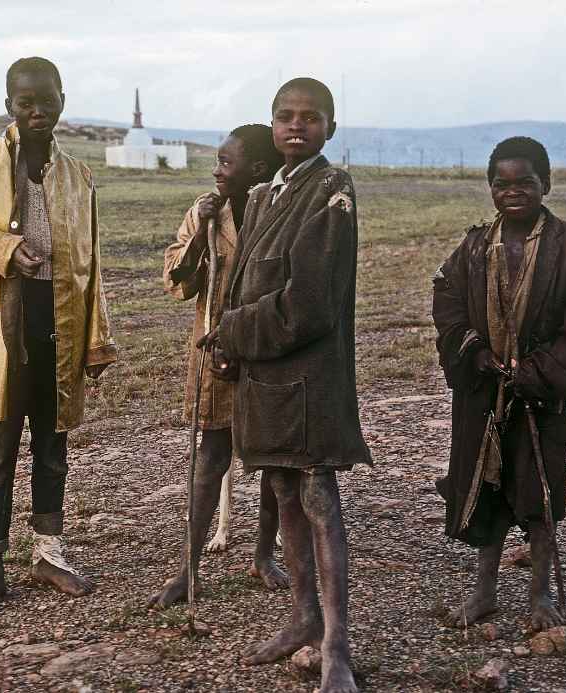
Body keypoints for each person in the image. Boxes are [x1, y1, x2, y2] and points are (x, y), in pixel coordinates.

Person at [0, 56, 117, 617]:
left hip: (58, 323)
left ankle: (50, 553)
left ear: (62, 99)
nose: (37, 111)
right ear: (8, 105)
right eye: (25, 102)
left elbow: (89, 263)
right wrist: (5, 249)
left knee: (53, 449)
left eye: (47, 100)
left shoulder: (78, 176)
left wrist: (96, 336)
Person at [202, 78, 370, 693]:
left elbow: (309, 304)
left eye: (310, 118)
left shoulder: (331, 192)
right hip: (267, 382)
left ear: (330, 126)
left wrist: (232, 331)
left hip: (309, 382)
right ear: (272, 125)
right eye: (285, 118)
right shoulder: (268, 193)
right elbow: (249, 282)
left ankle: (336, 647)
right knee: (281, 489)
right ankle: (301, 616)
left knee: (320, 501)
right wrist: (230, 348)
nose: (296, 127)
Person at [433, 136, 566, 631]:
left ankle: (540, 596)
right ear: (490, 188)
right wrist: (475, 352)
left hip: (541, 396)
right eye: (501, 183)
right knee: (485, 486)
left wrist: (535, 374)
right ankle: (483, 591)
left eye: (525, 182)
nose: (513, 192)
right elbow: (445, 298)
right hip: (485, 392)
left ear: (545, 185)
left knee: (540, 489)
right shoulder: (472, 246)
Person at [150, 124, 287, 610]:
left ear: (257, 169)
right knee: (210, 457)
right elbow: (177, 282)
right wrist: (196, 240)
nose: (215, 170)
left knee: (274, 462)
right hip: (215, 353)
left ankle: (263, 555)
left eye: (225, 163)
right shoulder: (206, 212)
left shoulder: (283, 211)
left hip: (268, 352)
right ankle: (188, 567)